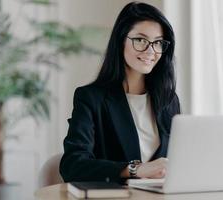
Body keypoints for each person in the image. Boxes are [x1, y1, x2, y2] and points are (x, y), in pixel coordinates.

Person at [60, 2, 180, 183]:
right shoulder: (91, 98)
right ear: (120, 40)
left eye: (158, 43)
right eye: (140, 40)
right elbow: (72, 165)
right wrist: (135, 169)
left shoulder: (169, 100)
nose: (150, 51)